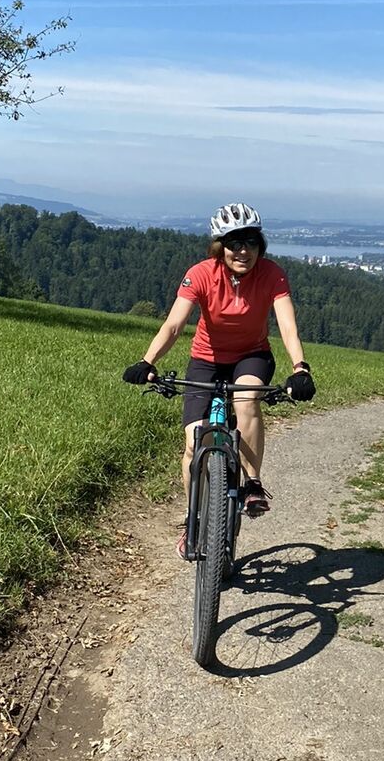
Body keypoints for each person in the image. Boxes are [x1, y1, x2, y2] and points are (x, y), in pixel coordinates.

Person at [123, 202, 316, 557]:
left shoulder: (272, 275)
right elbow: (174, 325)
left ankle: (252, 483)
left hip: (251, 356)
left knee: (247, 399)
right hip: (206, 360)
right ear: (220, 246)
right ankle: (193, 519)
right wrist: (147, 361)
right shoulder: (200, 274)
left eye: (251, 242)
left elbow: (288, 325)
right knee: (193, 441)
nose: (243, 251)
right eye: (234, 243)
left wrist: (300, 367)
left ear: (260, 245)